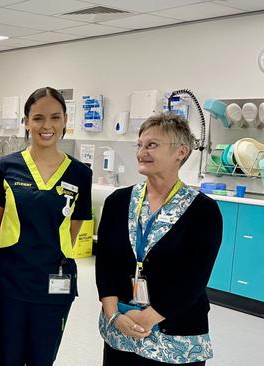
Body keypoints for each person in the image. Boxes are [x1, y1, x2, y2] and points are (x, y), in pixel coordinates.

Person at [96, 112, 222, 365]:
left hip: (175, 335)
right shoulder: (118, 202)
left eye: (152, 145)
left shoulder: (202, 211)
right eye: (140, 145)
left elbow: (195, 279)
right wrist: (112, 314)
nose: (142, 152)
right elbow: (105, 264)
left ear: (181, 152)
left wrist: (150, 318)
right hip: (121, 327)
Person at [0, 86, 92, 365]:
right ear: (26, 122)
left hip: (54, 281)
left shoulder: (80, 173)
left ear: (66, 121)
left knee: (42, 358)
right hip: (9, 279)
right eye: (38, 118)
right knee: (8, 356)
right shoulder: (5, 168)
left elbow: (75, 226)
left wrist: (48, 252)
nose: (47, 126)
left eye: (55, 118)